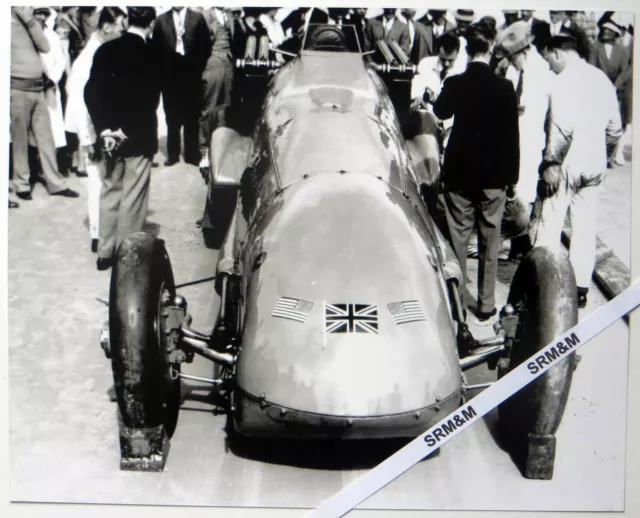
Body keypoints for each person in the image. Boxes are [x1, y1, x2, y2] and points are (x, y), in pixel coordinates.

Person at [433, 18, 520, 323]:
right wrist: (512, 179)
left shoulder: (456, 83)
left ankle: (458, 303)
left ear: (467, 49)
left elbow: (440, 111)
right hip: (494, 177)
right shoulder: (505, 87)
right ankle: (485, 304)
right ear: (492, 47)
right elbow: (512, 136)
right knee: (490, 240)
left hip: (459, 174)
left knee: (458, 238)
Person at [530, 32, 622, 308]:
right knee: (585, 224)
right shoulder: (601, 80)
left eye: (549, 59)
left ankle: (542, 283)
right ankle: (581, 286)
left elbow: (559, 130)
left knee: (551, 220)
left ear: (558, 53)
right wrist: (599, 151)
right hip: (594, 162)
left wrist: (551, 164)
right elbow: (615, 129)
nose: (549, 65)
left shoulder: (563, 82)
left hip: (566, 161)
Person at [84, 7, 161, 270]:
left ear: (127, 21)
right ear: (151, 23)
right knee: (134, 198)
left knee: (111, 189)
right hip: (137, 134)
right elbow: (148, 100)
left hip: (109, 136)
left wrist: (106, 129)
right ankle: (126, 257)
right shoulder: (152, 53)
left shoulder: (105, 50)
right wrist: (126, 131)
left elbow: (92, 92)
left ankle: (104, 252)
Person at [66, 6, 126, 253]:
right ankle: (98, 234)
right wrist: (88, 139)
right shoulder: (89, 57)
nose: (123, 31)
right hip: (92, 130)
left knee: (105, 182)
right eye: (121, 26)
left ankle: (104, 232)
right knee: (97, 184)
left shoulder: (102, 50)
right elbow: (79, 100)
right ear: (107, 26)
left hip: (101, 128)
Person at [496, 20, 555, 259]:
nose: (510, 62)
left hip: (531, 140)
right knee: (512, 189)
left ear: (523, 51)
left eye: (512, 56)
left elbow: (549, 114)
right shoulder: (514, 70)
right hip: (512, 138)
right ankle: (513, 240)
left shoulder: (542, 72)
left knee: (527, 191)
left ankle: (521, 243)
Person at [10, 7, 78, 201]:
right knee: (20, 140)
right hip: (17, 89)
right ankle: (22, 184)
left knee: (46, 138)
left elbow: (45, 46)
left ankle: (55, 183)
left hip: (38, 89)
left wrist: (29, 21)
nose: (28, 8)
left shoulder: (33, 26)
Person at [153, 7, 211, 167]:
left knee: (192, 115)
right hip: (170, 74)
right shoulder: (161, 20)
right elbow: (156, 48)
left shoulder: (197, 18)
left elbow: (206, 45)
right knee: (172, 115)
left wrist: (197, 65)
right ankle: (173, 154)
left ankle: (192, 154)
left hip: (191, 72)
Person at [411, 32, 465, 153]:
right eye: (443, 59)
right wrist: (418, 97)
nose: (446, 64)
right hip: (426, 122)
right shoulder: (426, 63)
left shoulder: (463, 71)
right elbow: (417, 87)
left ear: (457, 53)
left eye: (450, 60)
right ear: (437, 52)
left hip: (451, 126)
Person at [199, 7, 235, 173]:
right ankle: (204, 151)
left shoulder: (229, 15)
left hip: (228, 64)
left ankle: (221, 149)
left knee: (225, 108)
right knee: (209, 109)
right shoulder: (205, 15)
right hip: (211, 65)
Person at [593, 20, 632, 166]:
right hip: (598, 90)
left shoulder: (622, 50)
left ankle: (609, 157)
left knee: (614, 125)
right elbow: (593, 67)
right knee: (598, 124)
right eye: (603, 30)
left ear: (614, 33)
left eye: (608, 31)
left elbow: (624, 71)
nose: (605, 33)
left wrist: (615, 87)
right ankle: (599, 156)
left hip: (616, 91)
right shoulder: (596, 47)